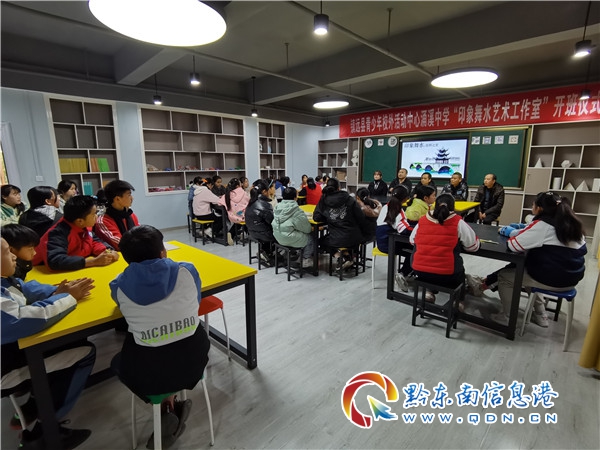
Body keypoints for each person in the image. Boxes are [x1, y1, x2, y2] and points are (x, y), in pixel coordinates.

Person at [110, 225, 209, 449]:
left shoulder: (118, 286)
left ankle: (166, 406)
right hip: (194, 360)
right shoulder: (188, 271)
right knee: (170, 350)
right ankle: (170, 405)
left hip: (148, 374)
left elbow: (125, 313)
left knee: (122, 360)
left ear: (126, 259)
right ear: (163, 251)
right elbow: (195, 300)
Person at [1, 236, 96, 450]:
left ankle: (35, 403)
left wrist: (56, 291)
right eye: (7, 252)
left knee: (72, 339)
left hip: (13, 349)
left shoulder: (4, 279)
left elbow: (25, 289)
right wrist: (67, 298)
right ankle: (45, 430)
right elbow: (26, 319)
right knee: (84, 351)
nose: (14, 256)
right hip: (5, 367)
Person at [470, 192, 587, 327]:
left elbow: (513, 246)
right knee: (526, 269)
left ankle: (507, 317)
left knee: (507, 276)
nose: (532, 207)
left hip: (553, 279)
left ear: (539, 208)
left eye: (533, 204)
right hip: (571, 279)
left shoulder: (543, 226)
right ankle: (540, 314)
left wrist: (511, 232)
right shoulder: (573, 224)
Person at [409, 194, 480, 302]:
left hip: (419, 270)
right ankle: (458, 302)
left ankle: (428, 291)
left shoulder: (423, 220)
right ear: (453, 207)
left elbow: (412, 240)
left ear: (435, 206)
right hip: (448, 274)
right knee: (460, 274)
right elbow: (473, 247)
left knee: (430, 268)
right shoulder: (457, 221)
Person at [32, 195, 119, 271]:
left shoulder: (85, 226)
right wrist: (92, 262)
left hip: (77, 268)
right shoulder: (58, 233)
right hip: (43, 272)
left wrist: (107, 251)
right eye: (94, 214)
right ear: (80, 221)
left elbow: (94, 241)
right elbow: (55, 261)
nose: (97, 216)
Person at [313, 178, 370, 273]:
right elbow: (360, 217)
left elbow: (316, 217)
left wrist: (329, 218)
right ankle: (348, 256)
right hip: (354, 237)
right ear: (339, 188)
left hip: (336, 237)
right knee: (344, 240)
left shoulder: (324, 199)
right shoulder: (349, 198)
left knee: (321, 241)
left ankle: (341, 257)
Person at [376, 185, 413, 291]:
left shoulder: (387, 206)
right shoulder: (398, 210)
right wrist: (418, 229)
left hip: (381, 242)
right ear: (406, 198)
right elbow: (404, 230)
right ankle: (403, 274)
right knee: (415, 250)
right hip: (389, 244)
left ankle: (407, 273)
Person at [272, 187, 314, 268]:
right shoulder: (296, 210)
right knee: (310, 238)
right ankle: (305, 259)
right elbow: (307, 229)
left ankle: (288, 254)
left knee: (292, 231)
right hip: (289, 238)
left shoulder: (277, 207)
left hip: (278, 237)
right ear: (295, 197)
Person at [94, 180, 139, 251]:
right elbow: (120, 245)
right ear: (118, 199)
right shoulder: (103, 220)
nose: (132, 198)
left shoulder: (131, 215)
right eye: (129, 195)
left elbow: (140, 234)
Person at [245, 179, 277, 265]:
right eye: (268, 190)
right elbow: (272, 222)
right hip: (263, 234)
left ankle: (264, 252)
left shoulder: (251, 202)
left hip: (252, 232)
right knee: (281, 234)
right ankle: (270, 253)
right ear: (264, 191)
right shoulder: (265, 205)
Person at [219, 177, 249, 245]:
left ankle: (232, 233)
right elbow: (248, 201)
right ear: (238, 186)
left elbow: (220, 202)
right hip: (242, 215)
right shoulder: (243, 193)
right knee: (249, 217)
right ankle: (247, 234)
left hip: (232, 216)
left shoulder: (227, 194)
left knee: (239, 221)